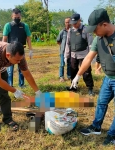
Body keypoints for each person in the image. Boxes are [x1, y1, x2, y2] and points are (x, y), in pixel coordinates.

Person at [0, 41, 41, 133]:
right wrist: (15, 91)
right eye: (17, 60)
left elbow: (27, 74)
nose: (19, 62)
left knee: (4, 94)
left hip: (0, 67)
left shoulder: (18, 55)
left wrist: (38, 92)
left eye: (20, 60)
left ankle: (7, 119)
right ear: (8, 55)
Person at [71, 8, 115, 145]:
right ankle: (96, 126)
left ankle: (112, 134)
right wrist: (77, 76)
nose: (94, 32)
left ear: (104, 24)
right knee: (101, 102)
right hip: (108, 78)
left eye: (95, 29)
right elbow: (88, 58)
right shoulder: (98, 39)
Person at [64, 13, 94, 95]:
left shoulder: (86, 29)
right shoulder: (70, 31)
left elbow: (91, 44)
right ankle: (73, 87)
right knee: (73, 70)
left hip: (84, 54)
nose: (74, 25)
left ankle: (90, 88)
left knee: (86, 72)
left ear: (80, 21)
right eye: (73, 23)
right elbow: (68, 43)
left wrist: (92, 58)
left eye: (76, 23)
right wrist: (66, 56)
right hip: (73, 54)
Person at [2, 8, 33, 88]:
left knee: (22, 68)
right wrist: (3, 51)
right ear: (12, 16)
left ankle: (21, 84)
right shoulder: (8, 26)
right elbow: (4, 39)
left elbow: (28, 39)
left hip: (21, 50)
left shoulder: (25, 26)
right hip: (10, 50)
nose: (17, 19)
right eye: (15, 17)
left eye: (18, 17)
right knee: (10, 70)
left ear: (21, 16)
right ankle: (10, 85)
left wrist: (30, 50)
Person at [57, 17, 71, 82]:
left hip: (71, 52)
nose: (67, 23)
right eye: (66, 22)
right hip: (63, 52)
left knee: (69, 64)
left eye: (68, 22)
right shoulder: (62, 32)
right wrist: (63, 47)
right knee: (62, 64)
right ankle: (61, 77)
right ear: (64, 23)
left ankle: (69, 76)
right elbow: (58, 41)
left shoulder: (73, 31)